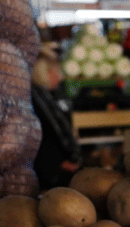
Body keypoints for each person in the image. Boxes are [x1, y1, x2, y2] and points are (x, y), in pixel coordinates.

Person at [30, 43, 83, 190]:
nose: (60, 76)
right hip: (51, 171)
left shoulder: (44, 96)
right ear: (43, 73)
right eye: (56, 71)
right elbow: (42, 137)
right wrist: (58, 161)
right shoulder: (37, 100)